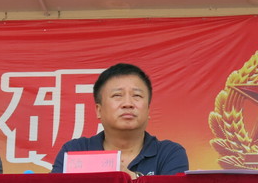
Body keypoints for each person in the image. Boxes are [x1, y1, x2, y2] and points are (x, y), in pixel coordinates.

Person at [51, 63, 188, 177]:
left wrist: (131, 178)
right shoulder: (75, 151)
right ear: (99, 110)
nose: (128, 103)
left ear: (148, 110)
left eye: (137, 95)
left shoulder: (169, 153)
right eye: (117, 95)